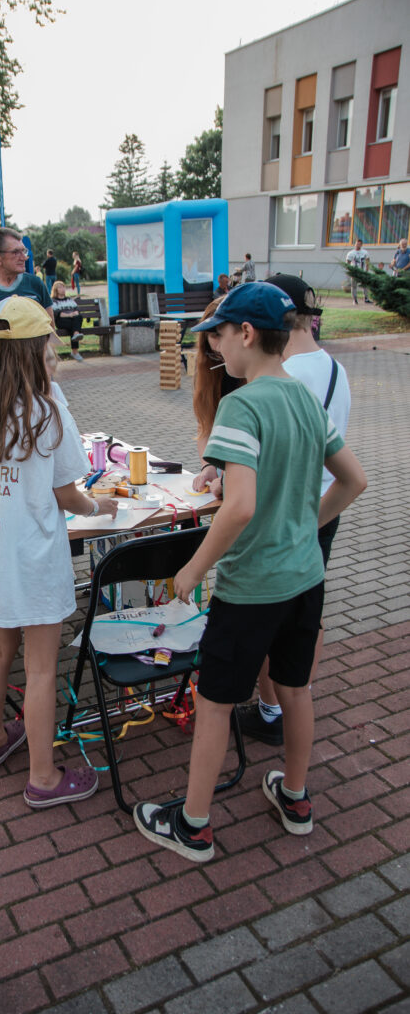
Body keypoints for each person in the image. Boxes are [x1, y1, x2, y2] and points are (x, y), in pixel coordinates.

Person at [133, 282, 366, 862]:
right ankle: (295, 798)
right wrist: (304, 528)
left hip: (252, 587)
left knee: (215, 702)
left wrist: (192, 569)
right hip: (304, 577)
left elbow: (237, 507)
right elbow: (354, 480)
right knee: (295, 688)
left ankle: (193, 826)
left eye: (217, 335)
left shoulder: (242, 404)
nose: (213, 348)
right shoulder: (305, 398)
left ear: (246, 333)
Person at [0, 296, 118, 808]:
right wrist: (98, 507)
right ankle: (43, 778)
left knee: (0, 649)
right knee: (41, 667)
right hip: (35, 557)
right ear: (35, 349)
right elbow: (69, 495)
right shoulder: (47, 412)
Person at [237, 273, 352, 744]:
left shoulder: (287, 377)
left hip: (287, 512)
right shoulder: (334, 368)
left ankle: (272, 711)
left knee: (272, 618)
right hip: (325, 508)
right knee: (307, 613)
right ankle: (295, 698)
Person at [0, 227, 53, 365]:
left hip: (36, 371)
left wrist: (40, 367)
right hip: (1, 377)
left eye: (24, 251)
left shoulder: (35, 284)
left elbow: (50, 328)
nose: (24, 257)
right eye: (16, 252)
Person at [191, 298, 244, 495]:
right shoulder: (208, 371)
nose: (219, 347)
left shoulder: (259, 386)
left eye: (221, 334)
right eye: (213, 335)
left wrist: (228, 481)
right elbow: (205, 426)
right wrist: (208, 465)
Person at [51, 280, 84, 361]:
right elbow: (57, 314)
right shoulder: (53, 301)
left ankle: (76, 334)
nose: (63, 289)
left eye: (63, 287)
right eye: (60, 287)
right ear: (56, 290)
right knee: (75, 325)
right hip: (61, 321)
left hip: (72, 320)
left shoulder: (69, 300)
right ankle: (75, 351)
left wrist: (76, 312)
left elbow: (77, 309)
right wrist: (69, 315)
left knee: (78, 318)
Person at [346, 238, 371, 303]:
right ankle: (354, 299)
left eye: (359, 244)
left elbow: (367, 261)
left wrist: (367, 270)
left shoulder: (365, 252)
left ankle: (366, 298)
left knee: (365, 285)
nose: (358, 245)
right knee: (354, 286)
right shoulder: (351, 253)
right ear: (355, 244)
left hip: (362, 271)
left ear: (361, 245)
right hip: (354, 272)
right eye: (357, 244)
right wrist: (349, 270)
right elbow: (348, 263)